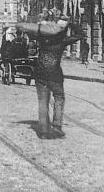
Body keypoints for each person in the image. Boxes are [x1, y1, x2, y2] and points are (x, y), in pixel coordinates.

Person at [31, 9, 79, 139]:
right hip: (55, 74)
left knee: (42, 102)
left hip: (40, 73)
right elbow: (80, 35)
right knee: (59, 99)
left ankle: (43, 130)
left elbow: (32, 32)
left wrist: (40, 25)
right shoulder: (62, 40)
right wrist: (70, 23)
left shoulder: (41, 39)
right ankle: (57, 127)